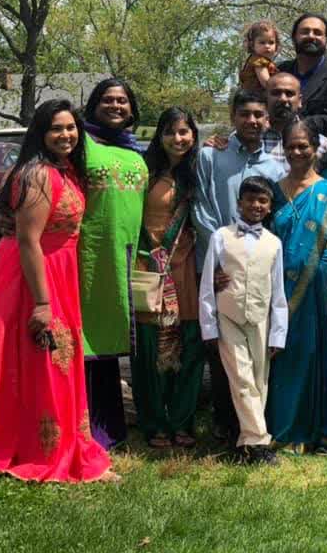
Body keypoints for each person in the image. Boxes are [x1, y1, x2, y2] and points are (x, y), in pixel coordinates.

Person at [0, 100, 115, 482]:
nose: (66, 135)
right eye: (56, 128)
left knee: (53, 359)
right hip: (35, 273)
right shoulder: (37, 174)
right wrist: (42, 302)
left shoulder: (65, 169)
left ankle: (59, 441)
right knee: (43, 357)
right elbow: (28, 240)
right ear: (40, 133)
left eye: (71, 127)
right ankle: (44, 450)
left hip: (57, 270)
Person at [193, 89, 284, 443]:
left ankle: (254, 426)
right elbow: (201, 207)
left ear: (268, 120)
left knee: (256, 357)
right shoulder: (211, 155)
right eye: (245, 114)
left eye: (259, 115)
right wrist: (220, 257)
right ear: (233, 116)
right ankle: (227, 425)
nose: (252, 121)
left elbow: (272, 220)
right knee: (221, 352)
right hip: (217, 268)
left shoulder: (274, 168)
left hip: (255, 269)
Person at [267, 120, 327, 452]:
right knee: (288, 352)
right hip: (281, 285)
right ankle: (288, 430)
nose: (297, 152)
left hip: (323, 279)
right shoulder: (273, 191)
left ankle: (325, 432)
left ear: (316, 149)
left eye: (303, 145)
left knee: (323, 350)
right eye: (291, 146)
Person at [198, 176, 289, 465]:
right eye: (250, 199)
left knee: (259, 382)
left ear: (270, 206)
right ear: (239, 203)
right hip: (229, 317)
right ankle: (259, 442)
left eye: (262, 201)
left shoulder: (274, 243)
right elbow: (207, 285)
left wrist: (278, 334)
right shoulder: (221, 236)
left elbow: (278, 292)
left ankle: (245, 443)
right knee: (241, 378)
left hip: (260, 319)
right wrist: (209, 327)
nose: (256, 205)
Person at [79, 78, 148, 450]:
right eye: (108, 99)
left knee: (110, 341)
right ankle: (84, 427)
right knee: (86, 340)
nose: (116, 106)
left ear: (132, 108)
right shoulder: (80, 143)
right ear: (94, 104)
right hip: (88, 257)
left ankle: (109, 424)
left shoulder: (136, 150)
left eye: (122, 100)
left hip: (125, 257)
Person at [131, 107, 204, 450]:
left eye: (184, 131)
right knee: (148, 351)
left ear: (193, 135)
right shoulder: (144, 173)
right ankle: (153, 422)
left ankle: (182, 420)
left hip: (185, 269)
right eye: (171, 132)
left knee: (187, 349)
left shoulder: (199, 172)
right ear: (159, 136)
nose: (178, 138)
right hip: (149, 269)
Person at [276, 13, 327, 139]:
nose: (311, 36)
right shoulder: (278, 72)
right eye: (305, 32)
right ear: (294, 38)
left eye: (317, 33)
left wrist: (289, 123)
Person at [238, 20, 280, 92]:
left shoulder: (264, 61)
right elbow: (267, 83)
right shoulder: (259, 61)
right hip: (256, 96)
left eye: (271, 42)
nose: (267, 46)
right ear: (252, 45)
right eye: (262, 42)